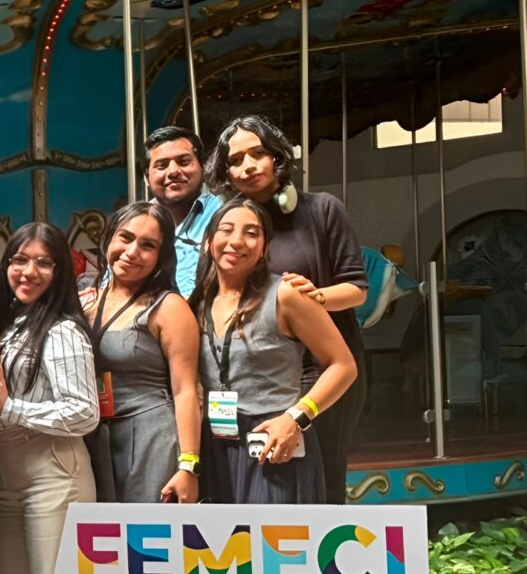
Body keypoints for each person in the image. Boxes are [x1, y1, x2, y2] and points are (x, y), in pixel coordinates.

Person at [205, 116, 368, 504]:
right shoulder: (229, 230)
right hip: (258, 374)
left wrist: (314, 299)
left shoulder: (322, 209)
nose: (248, 166)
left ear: (277, 157)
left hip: (321, 368)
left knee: (321, 481)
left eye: (258, 153)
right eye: (236, 160)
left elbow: (357, 289)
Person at [190, 197, 359, 504]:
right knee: (226, 536)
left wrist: (297, 418)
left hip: (275, 440)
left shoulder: (286, 294)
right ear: (208, 243)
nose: (236, 241)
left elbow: (343, 365)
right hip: (217, 444)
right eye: (226, 230)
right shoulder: (198, 303)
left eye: (251, 233)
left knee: (274, 536)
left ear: (265, 248)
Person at [0, 222, 98, 574]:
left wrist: (11, 407)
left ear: (60, 272)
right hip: (4, 479)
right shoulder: (6, 323)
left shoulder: (62, 330)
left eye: (44, 263)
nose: (29, 272)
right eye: (19, 260)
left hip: (54, 476)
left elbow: (85, 411)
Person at [84, 202, 203, 504]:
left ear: (161, 256)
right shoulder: (86, 298)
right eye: (125, 237)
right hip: (95, 437)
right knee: (100, 532)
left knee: (148, 531)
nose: (132, 251)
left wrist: (188, 465)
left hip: (151, 438)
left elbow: (186, 390)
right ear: (109, 237)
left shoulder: (169, 307)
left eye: (148, 245)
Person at [145, 126, 222, 298]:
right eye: (161, 165)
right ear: (146, 178)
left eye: (184, 162)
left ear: (202, 167)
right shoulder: (137, 222)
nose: (173, 171)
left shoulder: (226, 213)